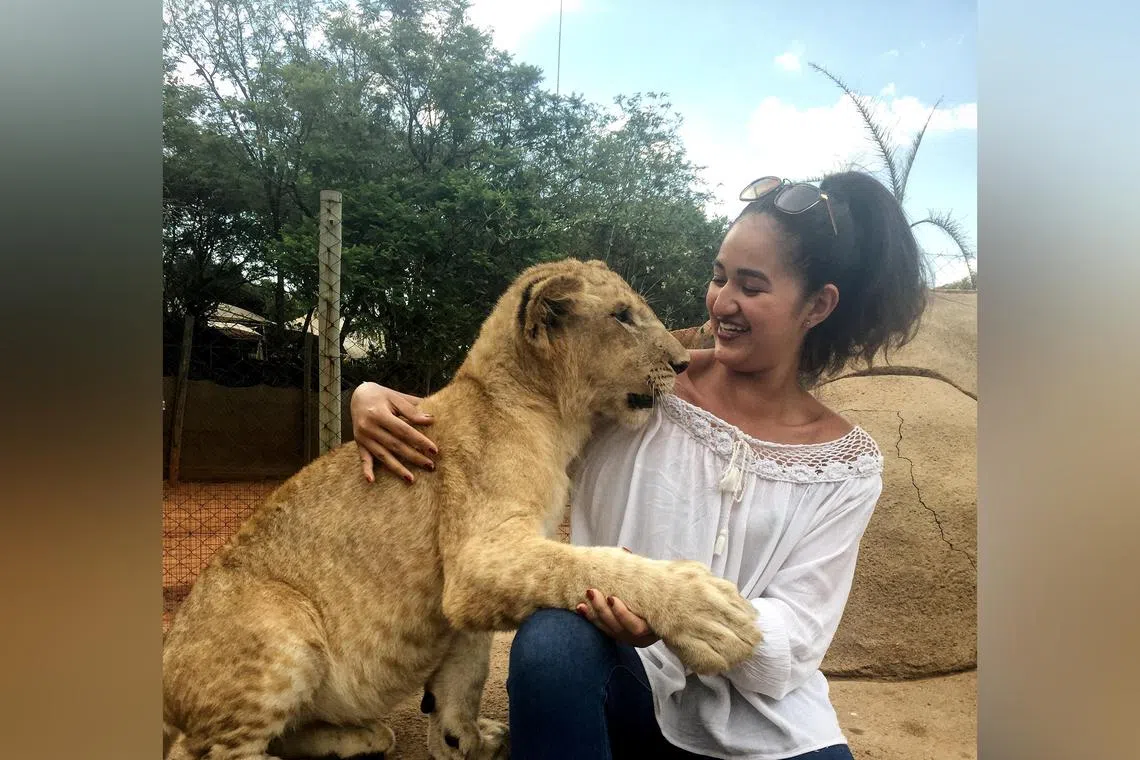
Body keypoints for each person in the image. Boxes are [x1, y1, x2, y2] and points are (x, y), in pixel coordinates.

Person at [350, 172, 927, 760]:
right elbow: (502, 407)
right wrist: (373, 396)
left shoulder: (845, 467)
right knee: (553, 643)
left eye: (751, 287)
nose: (722, 301)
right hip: (627, 685)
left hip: (765, 722)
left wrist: (673, 613)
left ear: (818, 305)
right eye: (718, 275)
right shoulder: (638, 391)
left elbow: (798, 638)